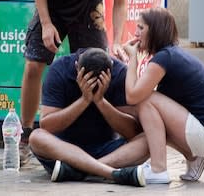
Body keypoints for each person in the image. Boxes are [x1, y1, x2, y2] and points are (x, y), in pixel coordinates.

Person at [20, 0, 131, 164]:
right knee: (34, 65)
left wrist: (117, 40)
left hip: (89, 6)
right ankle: (25, 135)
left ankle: (91, 136)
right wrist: (46, 24)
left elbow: (120, 0)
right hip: (54, 1)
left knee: (96, 67)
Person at [122, 7, 204, 184]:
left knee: (145, 99)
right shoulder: (171, 54)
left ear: (155, 30)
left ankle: (158, 169)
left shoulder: (164, 58)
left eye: (141, 28)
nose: (136, 33)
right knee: (149, 116)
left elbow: (133, 96)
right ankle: (193, 159)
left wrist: (132, 58)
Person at [29, 48, 149, 187]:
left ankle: (81, 171)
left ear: (110, 70)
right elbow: (48, 126)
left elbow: (132, 132)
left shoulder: (120, 72)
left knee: (150, 138)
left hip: (108, 152)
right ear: (76, 68)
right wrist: (84, 100)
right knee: (36, 137)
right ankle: (110, 173)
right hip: (64, 151)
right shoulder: (59, 69)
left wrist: (100, 102)